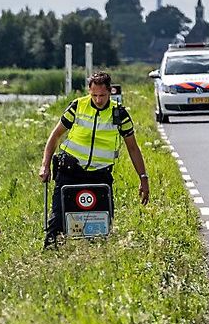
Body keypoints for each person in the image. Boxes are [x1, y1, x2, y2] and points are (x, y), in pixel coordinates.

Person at [39, 71, 150, 247]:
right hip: (70, 171)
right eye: (94, 95)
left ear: (110, 92)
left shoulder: (119, 114)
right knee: (58, 222)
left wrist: (143, 178)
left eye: (102, 95)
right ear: (89, 91)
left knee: (102, 226)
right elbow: (55, 136)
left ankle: (96, 259)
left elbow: (133, 148)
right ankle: (51, 256)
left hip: (99, 176)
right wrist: (45, 166)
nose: (98, 100)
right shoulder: (78, 106)